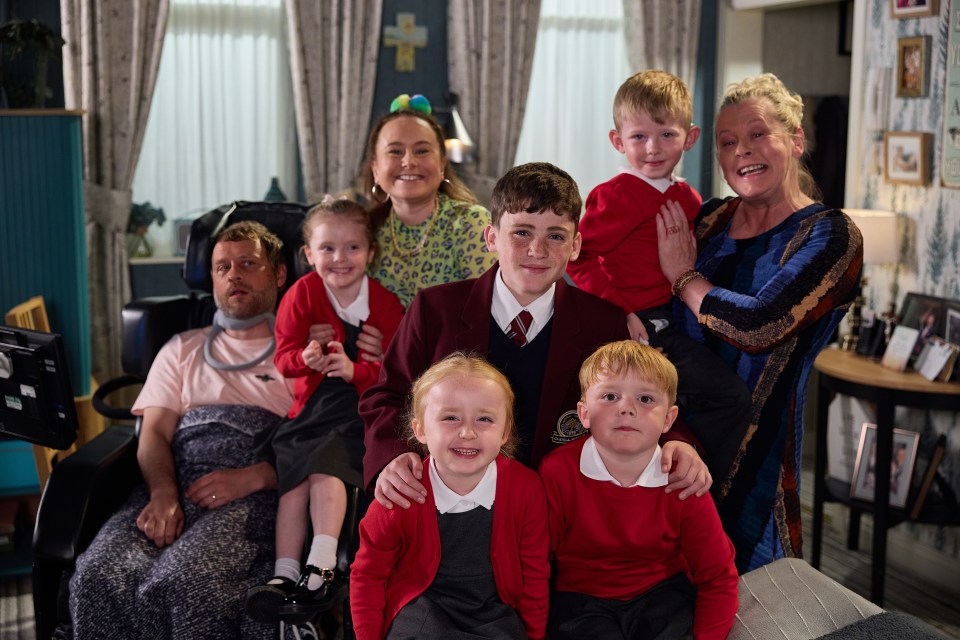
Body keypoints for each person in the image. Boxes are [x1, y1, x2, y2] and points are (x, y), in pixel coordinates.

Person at [361, 161, 711, 511]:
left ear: (575, 246)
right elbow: (388, 396)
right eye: (522, 233)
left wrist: (678, 443)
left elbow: (638, 402)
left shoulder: (603, 324)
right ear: (491, 237)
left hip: (558, 514)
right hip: (447, 506)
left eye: (555, 236)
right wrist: (394, 456)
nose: (537, 250)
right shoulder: (434, 309)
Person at [657, 73, 863, 573]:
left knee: (751, 600)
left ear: (795, 140)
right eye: (728, 143)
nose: (742, 151)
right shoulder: (705, 221)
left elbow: (760, 327)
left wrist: (683, 279)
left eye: (757, 134)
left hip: (758, 459)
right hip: (668, 438)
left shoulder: (831, 236)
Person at [69, 221, 295, 639]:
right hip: (179, 479)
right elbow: (153, 433)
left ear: (279, 275)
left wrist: (261, 475)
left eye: (249, 263)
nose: (234, 275)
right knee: (96, 575)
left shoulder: (302, 354)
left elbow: (324, 443)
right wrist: (162, 493)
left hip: (255, 491)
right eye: (222, 267)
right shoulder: (180, 348)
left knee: (185, 581)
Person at [567, 69, 752, 485]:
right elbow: (578, 259)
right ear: (618, 141)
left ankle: (694, 483)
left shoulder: (688, 197)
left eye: (667, 135)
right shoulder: (615, 195)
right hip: (628, 325)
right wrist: (622, 312)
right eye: (638, 137)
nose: (653, 148)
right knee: (716, 398)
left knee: (729, 398)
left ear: (690, 137)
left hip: (668, 323)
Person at [243, 200, 405, 623]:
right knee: (293, 481)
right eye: (327, 249)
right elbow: (283, 358)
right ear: (309, 254)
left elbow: (399, 372)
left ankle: (322, 565)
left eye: (352, 248)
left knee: (325, 468)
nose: (339, 259)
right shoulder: (302, 294)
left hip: (359, 411)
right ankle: (284, 573)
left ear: (371, 252)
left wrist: (357, 369)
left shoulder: (386, 305)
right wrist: (306, 359)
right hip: (310, 408)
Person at [539, 341, 738, 639]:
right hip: (580, 599)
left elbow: (717, 575)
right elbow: (535, 561)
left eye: (645, 399)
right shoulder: (557, 472)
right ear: (584, 414)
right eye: (609, 396)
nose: (626, 409)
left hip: (662, 594)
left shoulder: (683, 478)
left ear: (668, 419)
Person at [350, 353, 550, 639]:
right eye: (450, 417)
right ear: (420, 429)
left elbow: (534, 575)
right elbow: (368, 575)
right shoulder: (401, 492)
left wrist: (533, 635)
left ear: (505, 432)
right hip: (422, 611)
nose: (467, 432)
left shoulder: (526, 489)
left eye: (484, 419)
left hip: (494, 614)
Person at [364, 93, 498, 307]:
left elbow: (487, 313)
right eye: (395, 151)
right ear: (376, 170)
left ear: (442, 166)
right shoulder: (364, 231)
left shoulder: (472, 224)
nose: (409, 161)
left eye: (422, 150)